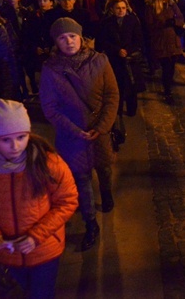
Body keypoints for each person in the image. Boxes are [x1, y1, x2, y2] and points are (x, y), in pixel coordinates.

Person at [39, 17, 119, 251]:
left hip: (100, 132)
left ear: (81, 38)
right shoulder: (50, 69)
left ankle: (106, 193)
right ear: (56, 42)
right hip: (72, 137)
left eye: (72, 36)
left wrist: (102, 126)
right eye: (63, 38)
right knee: (80, 179)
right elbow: (50, 107)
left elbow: (112, 96)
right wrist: (75, 130)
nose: (69, 41)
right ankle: (90, 223)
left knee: (104, 168)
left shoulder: (100, 61)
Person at [0, 99, 78, 299]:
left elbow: (68, 200)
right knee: (28, 289)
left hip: (44, 250)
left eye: (21, 137)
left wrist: (36, 236)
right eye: (5, 140)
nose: (15, 146)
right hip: (9, 254)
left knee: (41, 294)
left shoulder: (48, 163)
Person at [96, 0, 144, 117]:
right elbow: (102, 41)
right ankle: (116, 110)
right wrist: (117, 50)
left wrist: (127, 50)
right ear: (112, 9)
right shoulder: (106, 22)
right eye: (118, 8)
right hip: (114, 60)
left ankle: (131, 110)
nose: (121, 10)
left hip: (130, 60)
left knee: (131, 87)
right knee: (116, 87)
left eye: (123, 8)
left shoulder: (132, 20)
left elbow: (138, 39)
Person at [144, 0, 184, 103]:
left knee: (171, 68)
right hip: (161, 41)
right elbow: (149, 25)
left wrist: (174, 21)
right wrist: (163, 24)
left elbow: (181, 17)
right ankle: (167, 91)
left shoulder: (171, 4)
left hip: (173, 40)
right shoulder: (151, 7)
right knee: (166, 67)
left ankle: (168, 87)